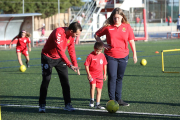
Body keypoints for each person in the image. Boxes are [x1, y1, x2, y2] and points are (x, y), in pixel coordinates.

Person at [94, 8, 137, 106]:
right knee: (112, 77)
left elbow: (131, 40)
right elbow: (96, 34)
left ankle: (119, 99)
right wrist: (103, 44)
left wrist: (134, 54)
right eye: (114, 18)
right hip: (110, 56)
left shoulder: (127, 27)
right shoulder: (108, 27)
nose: (116, 20)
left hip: (124, 56)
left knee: (119, 78)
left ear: (122, 17)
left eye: (118, 18)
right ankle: (112, 100)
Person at [39, 22, 82, 113]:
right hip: (47, 57)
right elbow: (60, 51)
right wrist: (69, 65)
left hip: (59, 59)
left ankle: (67, 104)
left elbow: (71, 50)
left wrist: (75, 65)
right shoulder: (58, 32)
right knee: (46, 80)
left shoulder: (71, 36)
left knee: (65, 81)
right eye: (77, 34)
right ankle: (42, 105)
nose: (77, 36)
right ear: (71, 31)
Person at [84, 42, 107, 109]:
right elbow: (86, 65)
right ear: (94, 48)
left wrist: (105, 74)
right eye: (97, 51)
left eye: (99, 51)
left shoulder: (102, 55)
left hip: (100, 76)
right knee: (93, 87)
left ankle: (98, 104)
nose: (98, 53)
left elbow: (104, 64)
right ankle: (92, 100)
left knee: (99, 90)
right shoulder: (90, 56)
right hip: (92, 75)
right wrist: (88, 74)